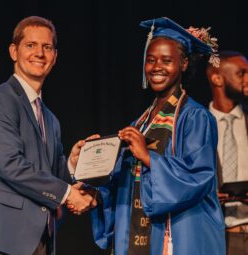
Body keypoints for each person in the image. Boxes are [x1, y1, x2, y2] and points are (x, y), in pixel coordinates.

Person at [0, 16, 96, 255]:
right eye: (30, 45)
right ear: (14, 51)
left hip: (37, 240)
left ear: (55, 57)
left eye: (47, 47)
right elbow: (10, 165)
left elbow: (47, 176)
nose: (39, 53)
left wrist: (72, 165)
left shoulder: (50, 119)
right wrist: (68, 194)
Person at [86, 17, 226, 255]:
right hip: (139, 234)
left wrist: (149, 158)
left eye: (166, 60)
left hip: (181, 235)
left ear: (183, 64)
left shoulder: (195, 117)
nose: (156, 67)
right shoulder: (140, 123)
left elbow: (199, 177)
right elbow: (126, 185)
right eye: (151, 60)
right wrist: (94, 172)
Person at [206, 50, 248, 255]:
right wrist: (206, 195)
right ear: (217, 78)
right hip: (214, 236)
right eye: (242, 73)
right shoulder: (198, 124)